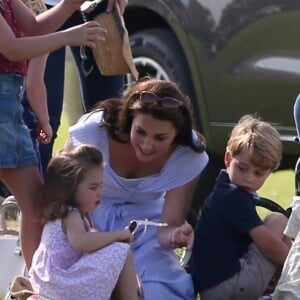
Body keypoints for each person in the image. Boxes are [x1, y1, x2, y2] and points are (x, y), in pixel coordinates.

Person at [64, 77, 209, 300]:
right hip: (87, 219)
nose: (147, 145)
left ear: (177, 135)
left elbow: (166, 229)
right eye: (140, 132)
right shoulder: (95, 131)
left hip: (146, 225)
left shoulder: (187, 155)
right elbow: (60, 190)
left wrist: (177, 234)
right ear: (130, 119)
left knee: (160, 288)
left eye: (160, 137)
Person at [0, 0, 105, 268]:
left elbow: (34, 27)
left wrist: (70, 6)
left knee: (36, 204)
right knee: (35, 203)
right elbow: (12, 48)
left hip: (10, 105)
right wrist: (69, 36)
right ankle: (42, 283)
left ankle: (39, 283)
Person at [190, 114, 292, 300]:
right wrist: (293, 263)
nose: (249, 178)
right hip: (229, 285)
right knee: (278, 220)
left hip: (211, 287)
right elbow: (267, 244)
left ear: (269, 173)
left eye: (258, 173)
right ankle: (286, 282)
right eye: (242, 168)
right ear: (228, 159)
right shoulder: (233, 196)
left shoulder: (223, 190)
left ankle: (276, 282)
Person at [27, 144, 140, 300]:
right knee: (122, 252)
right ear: (70, 187)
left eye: (101, 186)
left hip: (53, 281)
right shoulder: (70, 214)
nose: (99, 193)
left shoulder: (72, 214)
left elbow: (89, 241)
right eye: (93, 187)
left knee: (114, 253)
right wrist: (118, 235)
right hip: (62, 282)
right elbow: (82, 242)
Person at [38, 0, 128, 176]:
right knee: (43, 119)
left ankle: (100, 193)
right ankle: (26, 199)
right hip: (40, 7)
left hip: (97, 6)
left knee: (110, 116)